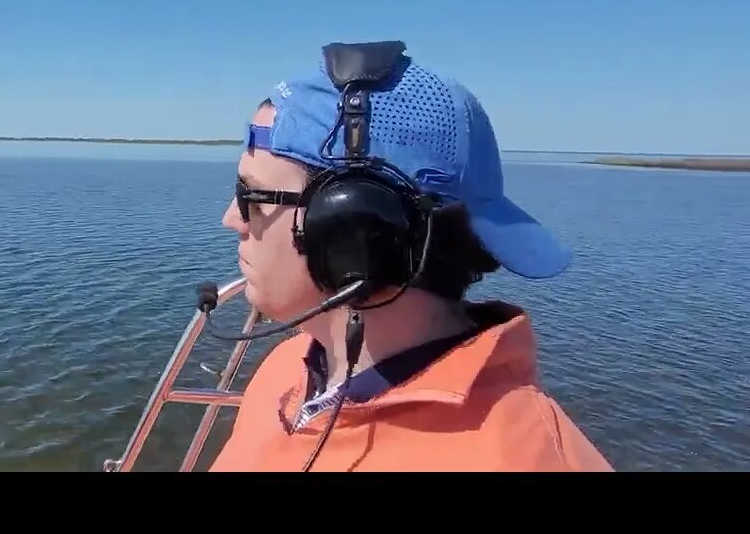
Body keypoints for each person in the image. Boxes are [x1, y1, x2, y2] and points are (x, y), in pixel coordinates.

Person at [205, 41, 613, 472]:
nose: (231, 218)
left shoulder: (517, 459)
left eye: (249, 195)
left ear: (351, 227)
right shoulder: (290, 366)